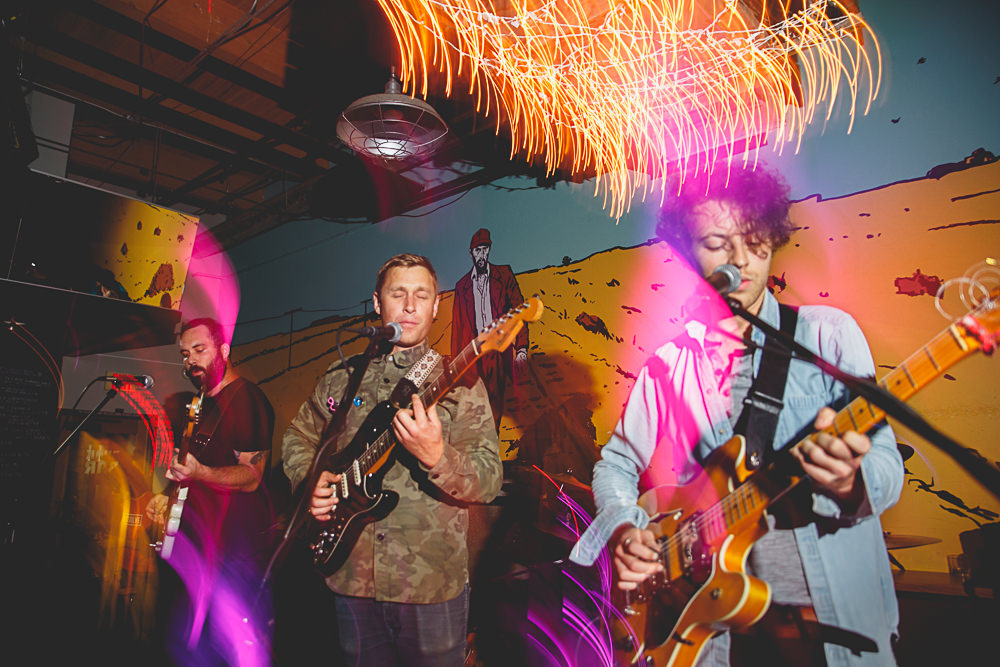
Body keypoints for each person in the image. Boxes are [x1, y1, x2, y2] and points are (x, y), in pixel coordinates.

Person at [569, 165, 904, 666]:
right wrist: (624, 527)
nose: (742, 260)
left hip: (832, 629)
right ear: (688, 251)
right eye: (717, 242)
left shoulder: (827, 336)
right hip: (714, 632)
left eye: (755, 241)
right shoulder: (668, 365)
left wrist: (851, 482)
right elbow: (616, 462)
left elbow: (885, 464)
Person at [282, 253, 502, 666]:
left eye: (422, 295)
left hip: (430, 585)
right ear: (377, 302)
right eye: (397, 293)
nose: (410, 305)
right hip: (350, 576)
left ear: (437, 306)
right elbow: (298, 436)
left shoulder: (460, 383)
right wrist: (309, 480)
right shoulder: (341, 377)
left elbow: (489, 479)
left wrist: (439, 456)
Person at [145, 317, 275, 666]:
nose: (191, 361)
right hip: (197, 555)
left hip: (231, 559)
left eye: (200, 350)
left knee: (224, 652)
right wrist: (168, 498)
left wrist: (200, 472)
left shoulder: (247, 399)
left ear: (224, 350)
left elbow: (251, 475)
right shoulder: (199, 407)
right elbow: (193, 472)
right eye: (185, 354)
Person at [451, 228, 529, 429]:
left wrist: (521, 349)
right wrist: (456, 365)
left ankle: (491, 449)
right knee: (473, 407)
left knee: (494, 405)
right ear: (471, 253)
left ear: (489, 250)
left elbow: (519, 311)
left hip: (497, 349)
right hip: (473, 353)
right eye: (478, 250)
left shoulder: (503, 275)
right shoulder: (462, 286)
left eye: (485, 250)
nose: (482, 255)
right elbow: (458, 326)